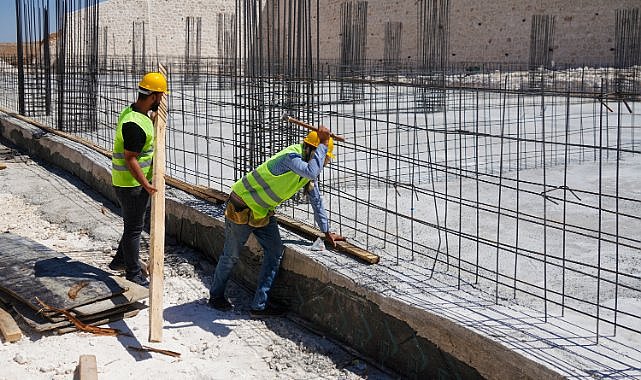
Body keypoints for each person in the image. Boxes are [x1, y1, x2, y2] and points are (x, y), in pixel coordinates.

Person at [209, 126, 345, 317]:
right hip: (241, 206)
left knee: (274, 252)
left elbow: (316, 199)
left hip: (261, 212)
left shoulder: (307, 170)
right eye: (325, 157)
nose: (326, 162)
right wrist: (324, 143)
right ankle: (215, 296)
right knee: (230, 255)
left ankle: (259, 306)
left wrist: (326, 231)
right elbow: (311, 172)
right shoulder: (291, 158)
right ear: (313, 150)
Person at [108, 72, 169, 287]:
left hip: (128, 182)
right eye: (160, 97)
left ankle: (120, 260)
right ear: (152, 96)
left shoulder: (134, 111)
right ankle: (133, 274)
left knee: (131, 224)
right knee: (134, 228)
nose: (162, 101)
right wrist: (146, 184)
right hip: (131, 184)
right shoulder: (135, 124)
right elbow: (130, 158)